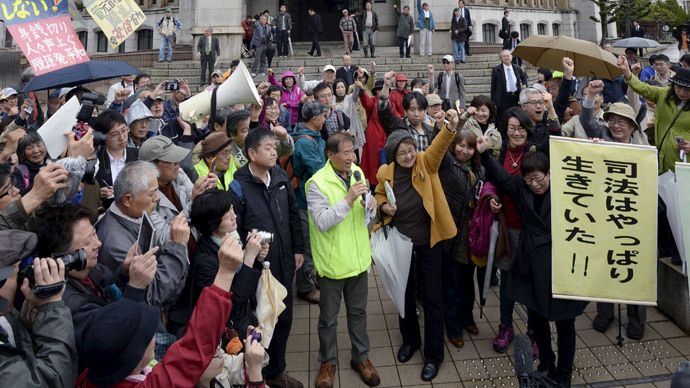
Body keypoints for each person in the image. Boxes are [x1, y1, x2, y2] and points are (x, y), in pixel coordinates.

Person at [75, 232, 266, 388]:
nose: (154, 335)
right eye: (148, 333)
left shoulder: (97, 372)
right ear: (133, 357)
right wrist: (225, 273)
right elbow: (195, 346)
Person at [479, 141, 587, 388]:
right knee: (536, 319)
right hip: (531, 262)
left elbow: (593, 182)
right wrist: (484, 154)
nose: (534, 184)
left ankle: (564, 372)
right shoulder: (521, 187)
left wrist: (595, 148)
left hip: (561, 260)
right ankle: (546, 363)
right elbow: (502, 177)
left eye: (538, 178)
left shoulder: (566, 188)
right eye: (529, 179)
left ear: (549, 173)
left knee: (565, 321)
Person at [375, 109, 461, 381]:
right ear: (393, 156)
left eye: (411, 149)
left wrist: (449, 127)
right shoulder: (384, 172)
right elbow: (377, 197)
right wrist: (383, 207)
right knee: (404, 294)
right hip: (401, 244)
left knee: (433, 298)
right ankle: (410, 341)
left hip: (428, 243)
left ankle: (434, 355)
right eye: (402, 153)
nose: (409, 156)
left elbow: (438, 147)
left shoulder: (426, 162)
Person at [37, 204, 156, 366]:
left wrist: (124, 273)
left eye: (94, 233)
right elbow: (110, 337)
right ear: (60, 258)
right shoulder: (63, 303)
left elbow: (108, 291)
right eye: (88, 242)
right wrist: (135, 288)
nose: (98, 243)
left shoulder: (92, 269)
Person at [231, 127, 305, 388]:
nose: (275, 151)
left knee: (284, 318)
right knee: (260, 322)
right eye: (268, 147)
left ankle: (276, 372)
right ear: (251, 153)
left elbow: (293, 214)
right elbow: (234, 231)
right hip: (256, 269)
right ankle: (256, 375)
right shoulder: (238, 185)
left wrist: (298, 249)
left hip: (284, 261)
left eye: (275, 147)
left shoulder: (280, 175)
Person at [308, 132, 380, 388]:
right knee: (328, 318)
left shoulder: (357, 173)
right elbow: (323, 222)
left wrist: (370, 204)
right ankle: (328, 362)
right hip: (332, 265)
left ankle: (361, 358)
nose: (352, 157)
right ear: (330, 154)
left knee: (358, 313)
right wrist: (349, 199)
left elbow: (365, 217)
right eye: (346, 152)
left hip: (359, 261)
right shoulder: (316, 183)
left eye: (353, 151)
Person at [96, 161, 190, 308]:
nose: (157, 198)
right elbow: (153, 293)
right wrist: (177, 246)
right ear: (127, 200)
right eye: (151, 194)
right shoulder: (116, 245)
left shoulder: (135, 215)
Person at [186, 188, 266, 340]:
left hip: (246, 318)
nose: (234, 216)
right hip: (230, 332)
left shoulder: (232, 237)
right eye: (227, 213)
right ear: (212, 221)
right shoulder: (204, 261)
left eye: (232, 209)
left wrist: (258, 254)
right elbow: (233, 301)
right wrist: (249, 256)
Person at [0, 232, 78, 387]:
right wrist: (52, 307)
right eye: (16, 274)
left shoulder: (5, 316)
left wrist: (23, 325)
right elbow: (54, 379)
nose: (21, 279)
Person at [438, 125, 484, 349]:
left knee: (468, 280)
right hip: (452, 232)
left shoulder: (479, 169)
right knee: (452, 282)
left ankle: (467, 318)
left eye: (470, 147)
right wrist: (454, 123)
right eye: (461, 145)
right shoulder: (446, 164)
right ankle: (454, 326)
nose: (465, 151)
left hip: (471, 232)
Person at [617, 55, 690, 174]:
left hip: (684, 164)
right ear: (673, 85)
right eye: (679, 88)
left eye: (687, 90)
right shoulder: (663, 94)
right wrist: (627, 72)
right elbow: (642, 88)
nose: (682, 93)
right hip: (659, 159)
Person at [292, 101, 330, 304]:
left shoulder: (314, 136)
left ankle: (311, 275)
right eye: (323, 116)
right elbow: (319, 170)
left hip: (312, 199)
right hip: (304, 200)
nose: (325, 119)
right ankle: (305, 287)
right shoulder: (305, 142)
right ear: (314, 119)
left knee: (313, 241)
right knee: (307, 244)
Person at [93, 109, 140, 209]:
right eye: (114, 135)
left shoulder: (138, 156)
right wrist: (98, 193)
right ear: (103, 137)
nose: (122, 137)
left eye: (124, 130)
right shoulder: (95, 163)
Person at [379, 72, 436, 149]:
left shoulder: (431, 131)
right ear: (405, 110)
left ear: (425, 111)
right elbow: (383, 111)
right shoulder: (397, 126)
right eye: (412, 109)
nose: (416, 114)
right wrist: (386, 86)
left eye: (420, 109)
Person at [491, 50, 528, 127]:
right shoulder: (496, 70)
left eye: (508, 56)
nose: (506, 58)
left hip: (515, 97)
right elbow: (493, 86)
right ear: (501, 58)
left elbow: (524, 76)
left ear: (511, 57)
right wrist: (493, 101)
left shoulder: (517, 68)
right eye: (504, 56)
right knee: (503, 118)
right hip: (503, 97)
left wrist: (524, 84)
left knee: (515, 116)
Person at [12, 131, 47, 195]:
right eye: (29, 148)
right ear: (23, 152)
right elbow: (20, 196)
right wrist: (38, 180)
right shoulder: (18, 172)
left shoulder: (54, 163)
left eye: (39, 145)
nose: (36, 151)